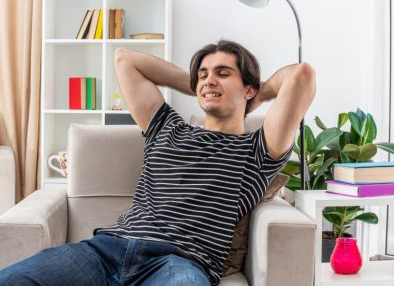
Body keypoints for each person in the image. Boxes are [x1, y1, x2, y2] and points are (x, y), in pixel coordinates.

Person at [0, 40, 316, 285]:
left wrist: (259, 95)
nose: (209, 80)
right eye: (203, 74)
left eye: (223, 73)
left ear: (249, 88)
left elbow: (302, 75)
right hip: (107, 249)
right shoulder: (167, 128)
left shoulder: (257, 150)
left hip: (181, 262)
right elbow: (125, 59)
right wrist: (198, 84)